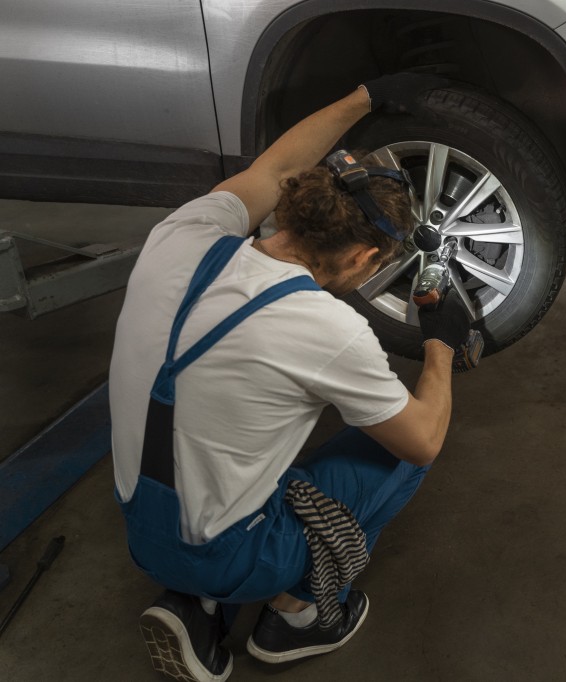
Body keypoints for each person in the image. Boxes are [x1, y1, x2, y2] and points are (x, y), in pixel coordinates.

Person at [109, 75, 469, 682]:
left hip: (141, 533)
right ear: (361, 259)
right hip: (229, 553)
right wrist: (441, 345)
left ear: (289, 206)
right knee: (406, 446)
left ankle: (198, 608)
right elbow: (423, 438)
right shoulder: (326, 327)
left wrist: (366, 96)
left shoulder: (183, 233)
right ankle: (298, 615)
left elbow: (276, 163)